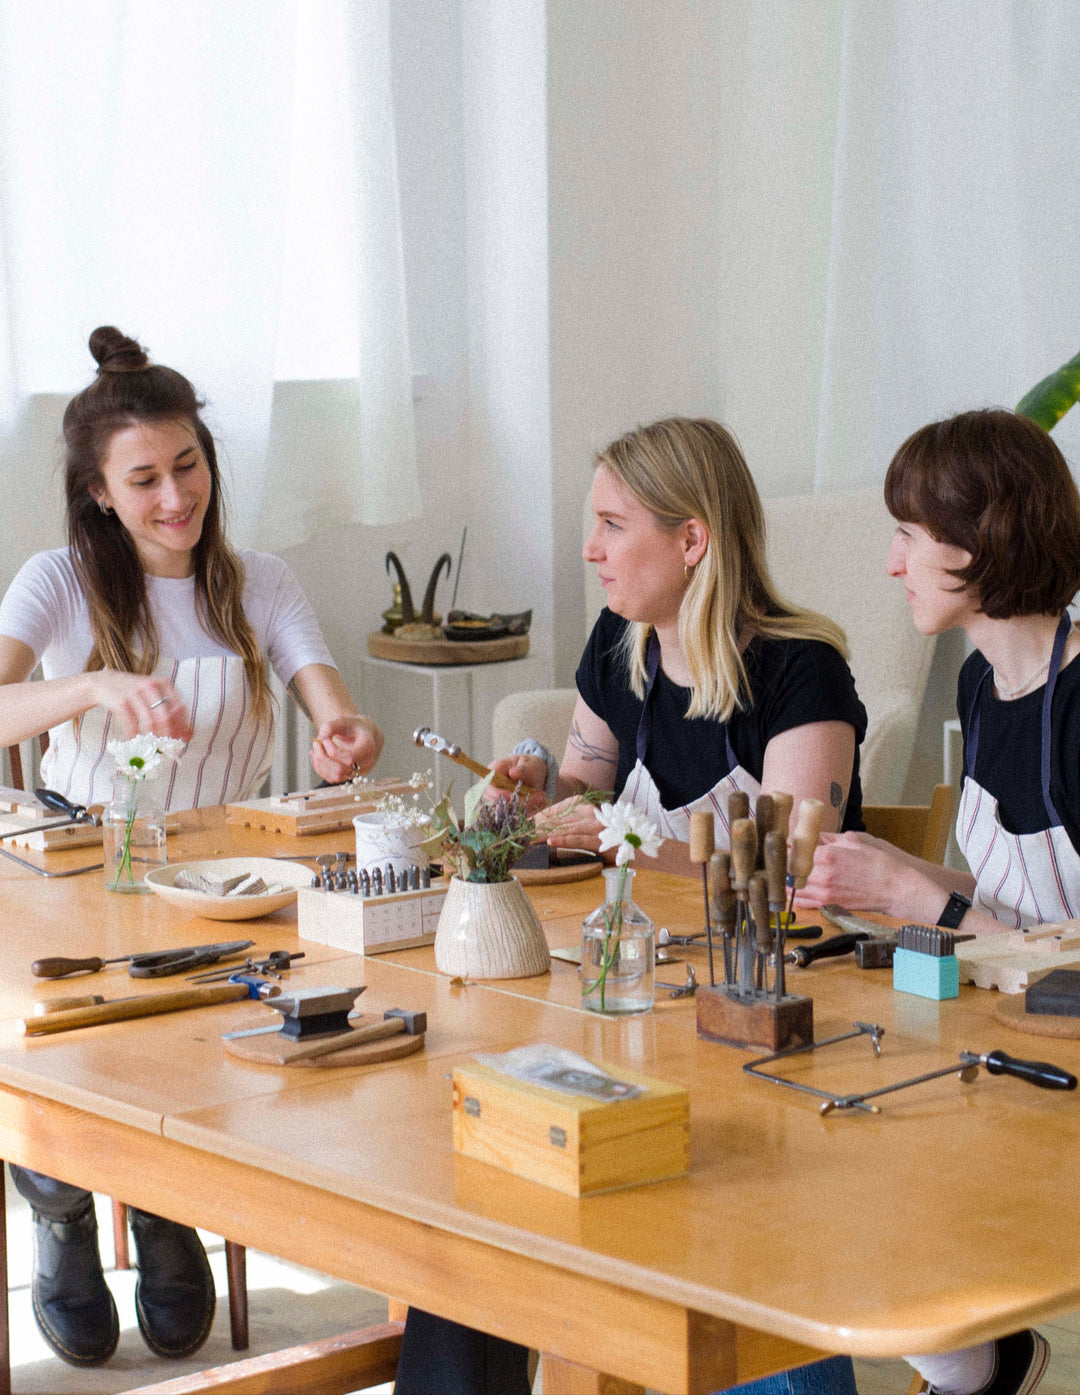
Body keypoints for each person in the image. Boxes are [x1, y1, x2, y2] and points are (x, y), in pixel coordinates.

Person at [394, 415, 867, 1395]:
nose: (589, 549)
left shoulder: (800, 670)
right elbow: (587, 785)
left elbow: (781, 865)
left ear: (692, 539)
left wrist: (617, 834)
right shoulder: (622, 644)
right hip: (641, 992)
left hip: (768, 1012)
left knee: (668, 1205)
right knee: (484, 1157)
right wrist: (535, 786)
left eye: (613, 524)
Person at [0, 327, 383, 1367]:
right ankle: (65, 1208)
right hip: (79, 875)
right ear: (98, 494)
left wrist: (347, 733)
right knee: (62, 1033)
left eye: (188, 466)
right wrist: (91, 685)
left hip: (227, 883)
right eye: (144, 480)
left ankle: (171, 1203)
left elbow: (330, 699)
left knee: (216, 1044)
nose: (175, 498)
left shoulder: (258, 581)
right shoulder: (60, 582)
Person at [798, 407, 1074, 1395]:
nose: (891, 564)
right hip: (1010, 1027)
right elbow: (1013, 896)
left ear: (973, 544)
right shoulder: (983, 685)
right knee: (815, 1151)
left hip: (1061, 1054)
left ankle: (979, 1366)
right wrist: (894, 875)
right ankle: (980, 1366)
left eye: (907, 537)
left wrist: (923, 895)